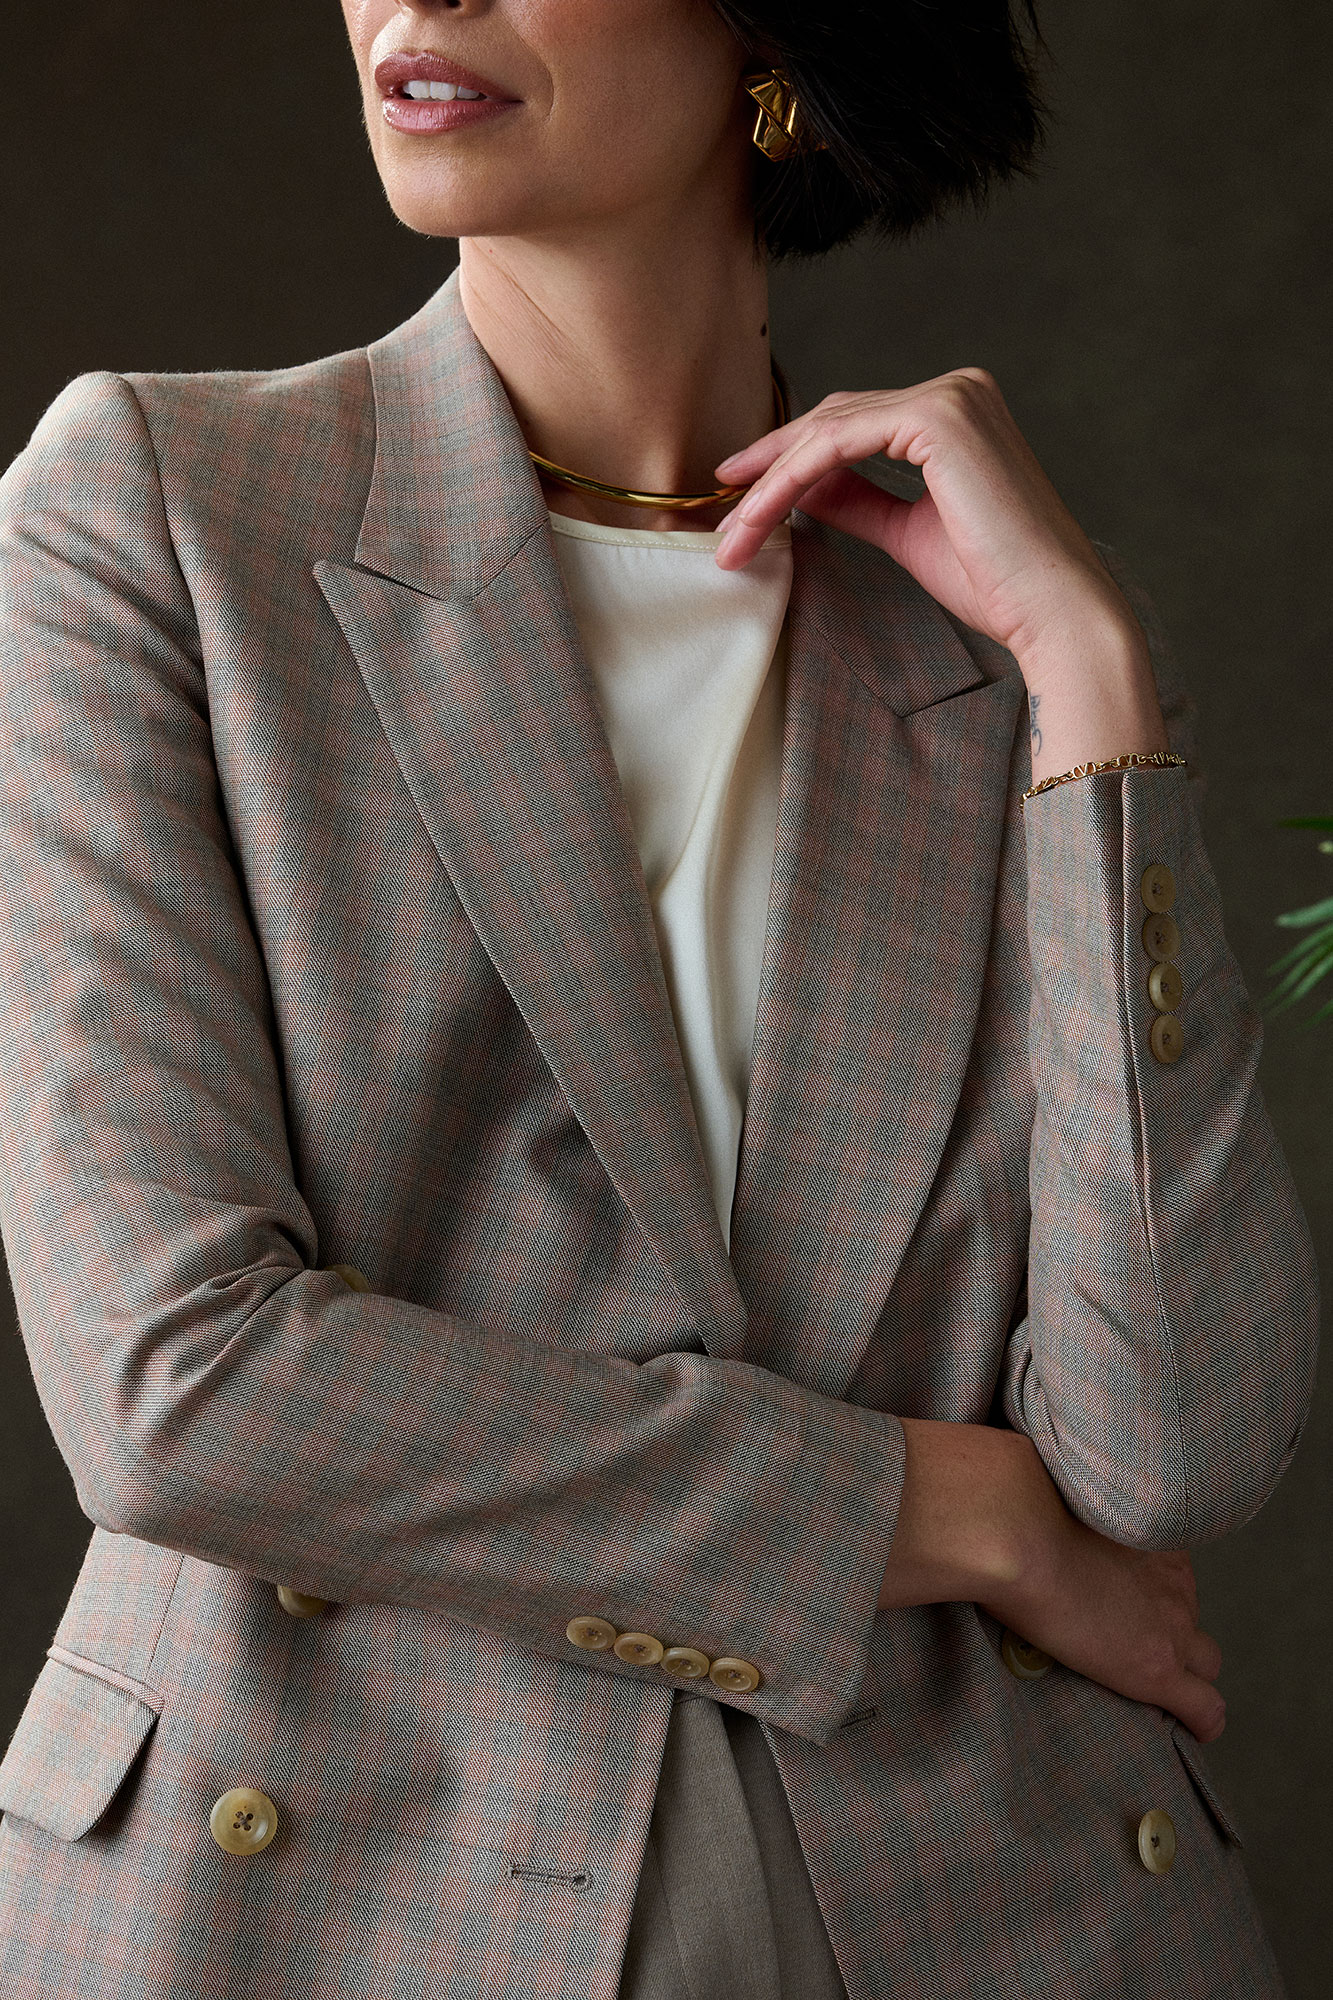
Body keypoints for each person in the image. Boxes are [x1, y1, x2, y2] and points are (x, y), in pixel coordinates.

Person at [0, 1, 1318, 1995]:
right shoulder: (165, 511)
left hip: (976, 1897)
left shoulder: (992, 635)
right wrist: (932, 1510)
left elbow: (1174, 1454)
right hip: (330, 1886)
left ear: (775, 32)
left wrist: (1092, 677)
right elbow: (178, 1384)